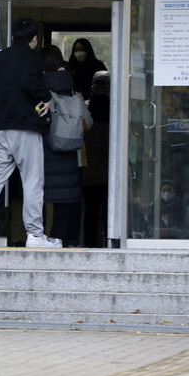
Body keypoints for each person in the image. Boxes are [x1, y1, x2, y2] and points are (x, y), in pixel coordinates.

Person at [0, 18, 61, 249]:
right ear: (34, 39)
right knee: (32, 181)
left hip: (1, 131)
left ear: (13, 37)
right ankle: (35, 235)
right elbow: (28, 82)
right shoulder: (32, 58)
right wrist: (46, 96)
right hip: (26, 129)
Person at [41, 45, 88, 247]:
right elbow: (88, 122)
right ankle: (58, 237)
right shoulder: (73, 90)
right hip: (69, 151)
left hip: (44, 150)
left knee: (37, 195)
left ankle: (37, 236)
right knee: (66, 197)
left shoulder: (39, 87)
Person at [82, 71, 110, 248]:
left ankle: (90, 245)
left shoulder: (85, 110)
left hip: (88, 173)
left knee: (90, 214)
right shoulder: (115, 112)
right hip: (107, 174)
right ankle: (109, 242)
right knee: (109, 213)